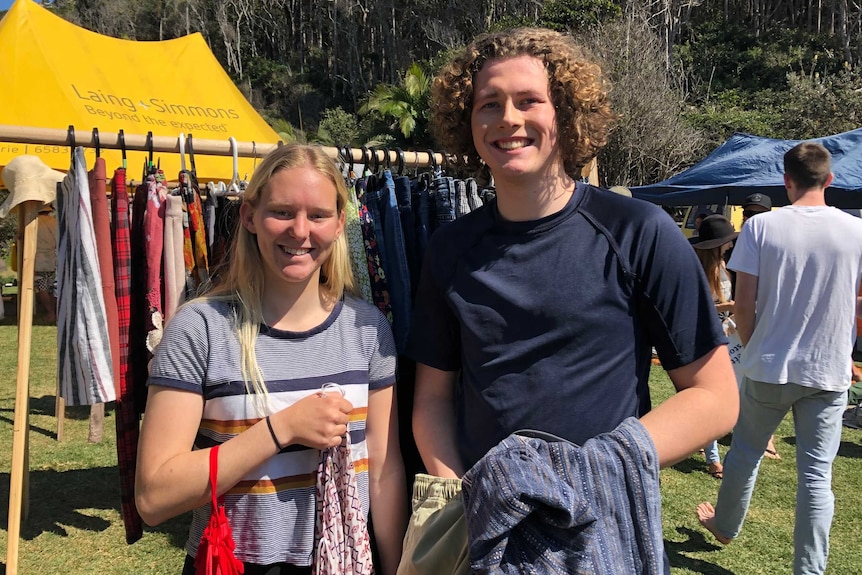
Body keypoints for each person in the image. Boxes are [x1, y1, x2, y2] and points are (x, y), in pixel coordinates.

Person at [405, 26, 738, 568]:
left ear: (565, 112)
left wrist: (589, 471)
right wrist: (461, 495)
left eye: (528, 101)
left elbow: (716, 397)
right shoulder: (449, 250)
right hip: (489, 526)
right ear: (468, 124)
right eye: (488, 103)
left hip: (602, 524)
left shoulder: (639, 231)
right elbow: (433, 402)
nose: (508, 118)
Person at [135, 144, 407, 575]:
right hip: (234, 564)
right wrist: (281, 430)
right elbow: (153, 496)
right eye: (282, 211)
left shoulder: (368, 329)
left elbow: (383, 471)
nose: (300, 231)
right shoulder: (200, 328)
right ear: (249, 217)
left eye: (317, 215)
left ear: (340, 224)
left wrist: (395, 568)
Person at [696, 141, 862, 575]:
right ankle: (810, 570)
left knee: (746, 453)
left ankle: (725, 524)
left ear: (785, 181)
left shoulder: (761, 228)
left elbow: (744, 305)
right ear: (829, 180)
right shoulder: (856, 231)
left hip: (769, 363)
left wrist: (750, 348)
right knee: (815, 477)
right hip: (827, 370)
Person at [691, 214, 739, 479]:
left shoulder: (722, 265)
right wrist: (728, 308)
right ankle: (713, 459)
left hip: (727, 333)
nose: (731, 245)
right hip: (710, 335)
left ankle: (700, 439)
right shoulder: (701, 269)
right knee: (713, 395)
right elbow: (702, 306)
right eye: (727, 241)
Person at [738, 192, 782, 459]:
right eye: (747, 213)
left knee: (759, 383)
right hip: (731, 320)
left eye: (756, 214)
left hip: (758, 322)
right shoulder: (730, 245)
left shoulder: (774, 248)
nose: (750, 218)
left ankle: (767, 439)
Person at [34, 204, 58, 323]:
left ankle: (50, 312)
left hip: (38, 259)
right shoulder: (55, 222)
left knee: (41, 287)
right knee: (51, 287)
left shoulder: (33, 223)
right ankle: (53, 311)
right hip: (53, 258)